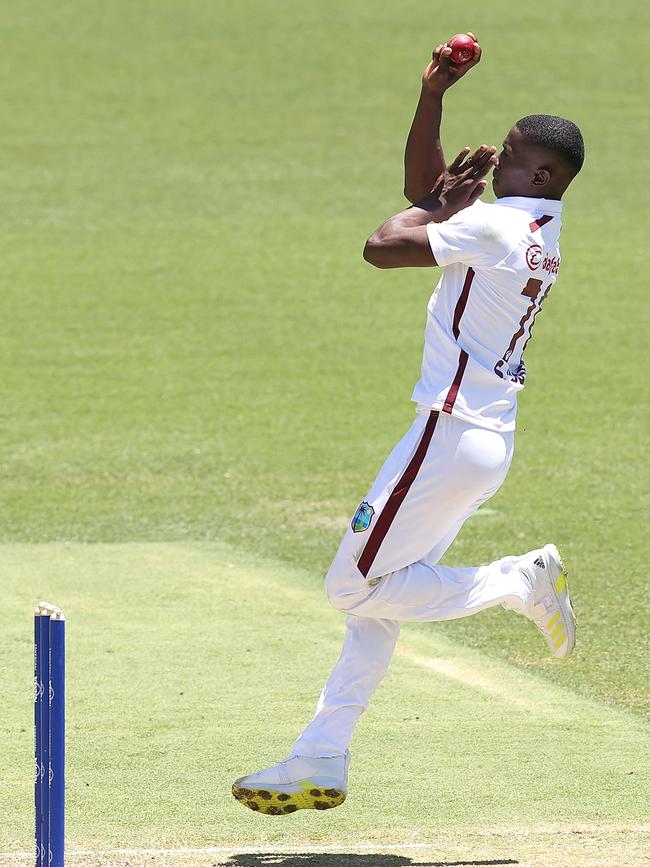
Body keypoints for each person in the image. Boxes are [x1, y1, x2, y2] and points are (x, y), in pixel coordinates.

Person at [232, 35, 584, 816]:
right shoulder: (534, 232)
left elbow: (383, 244)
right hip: (481, 441)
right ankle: (319, 752)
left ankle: (517, 580)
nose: (494, 170)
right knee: (385, 601)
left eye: (510, 159)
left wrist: (436, 205)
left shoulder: (494, 230)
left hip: (447, 434)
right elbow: (431, 194)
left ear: (543, 174)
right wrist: (434, 96)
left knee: (354, 589)